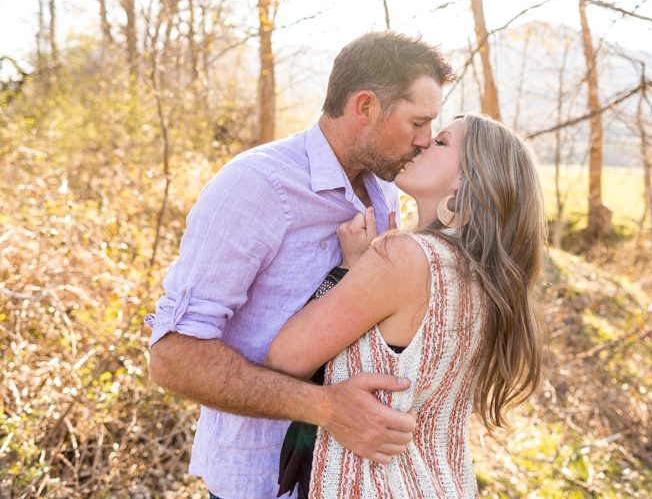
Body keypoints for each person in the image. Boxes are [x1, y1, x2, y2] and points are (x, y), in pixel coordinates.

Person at [146, 32, 455, 498]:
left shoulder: (387, 192)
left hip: (353, 478)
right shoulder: (256, 187)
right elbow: (173, 358)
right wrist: (326, 409)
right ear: (366, 106)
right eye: (417, 121)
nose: (425, 140)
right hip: (262, 481)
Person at [265, 113, 547, 497]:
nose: (424, 142)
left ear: (468, 180)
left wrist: (347, 269)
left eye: (443, 142)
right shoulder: (487, 278)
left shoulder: (405, 258)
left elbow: (285, 358)